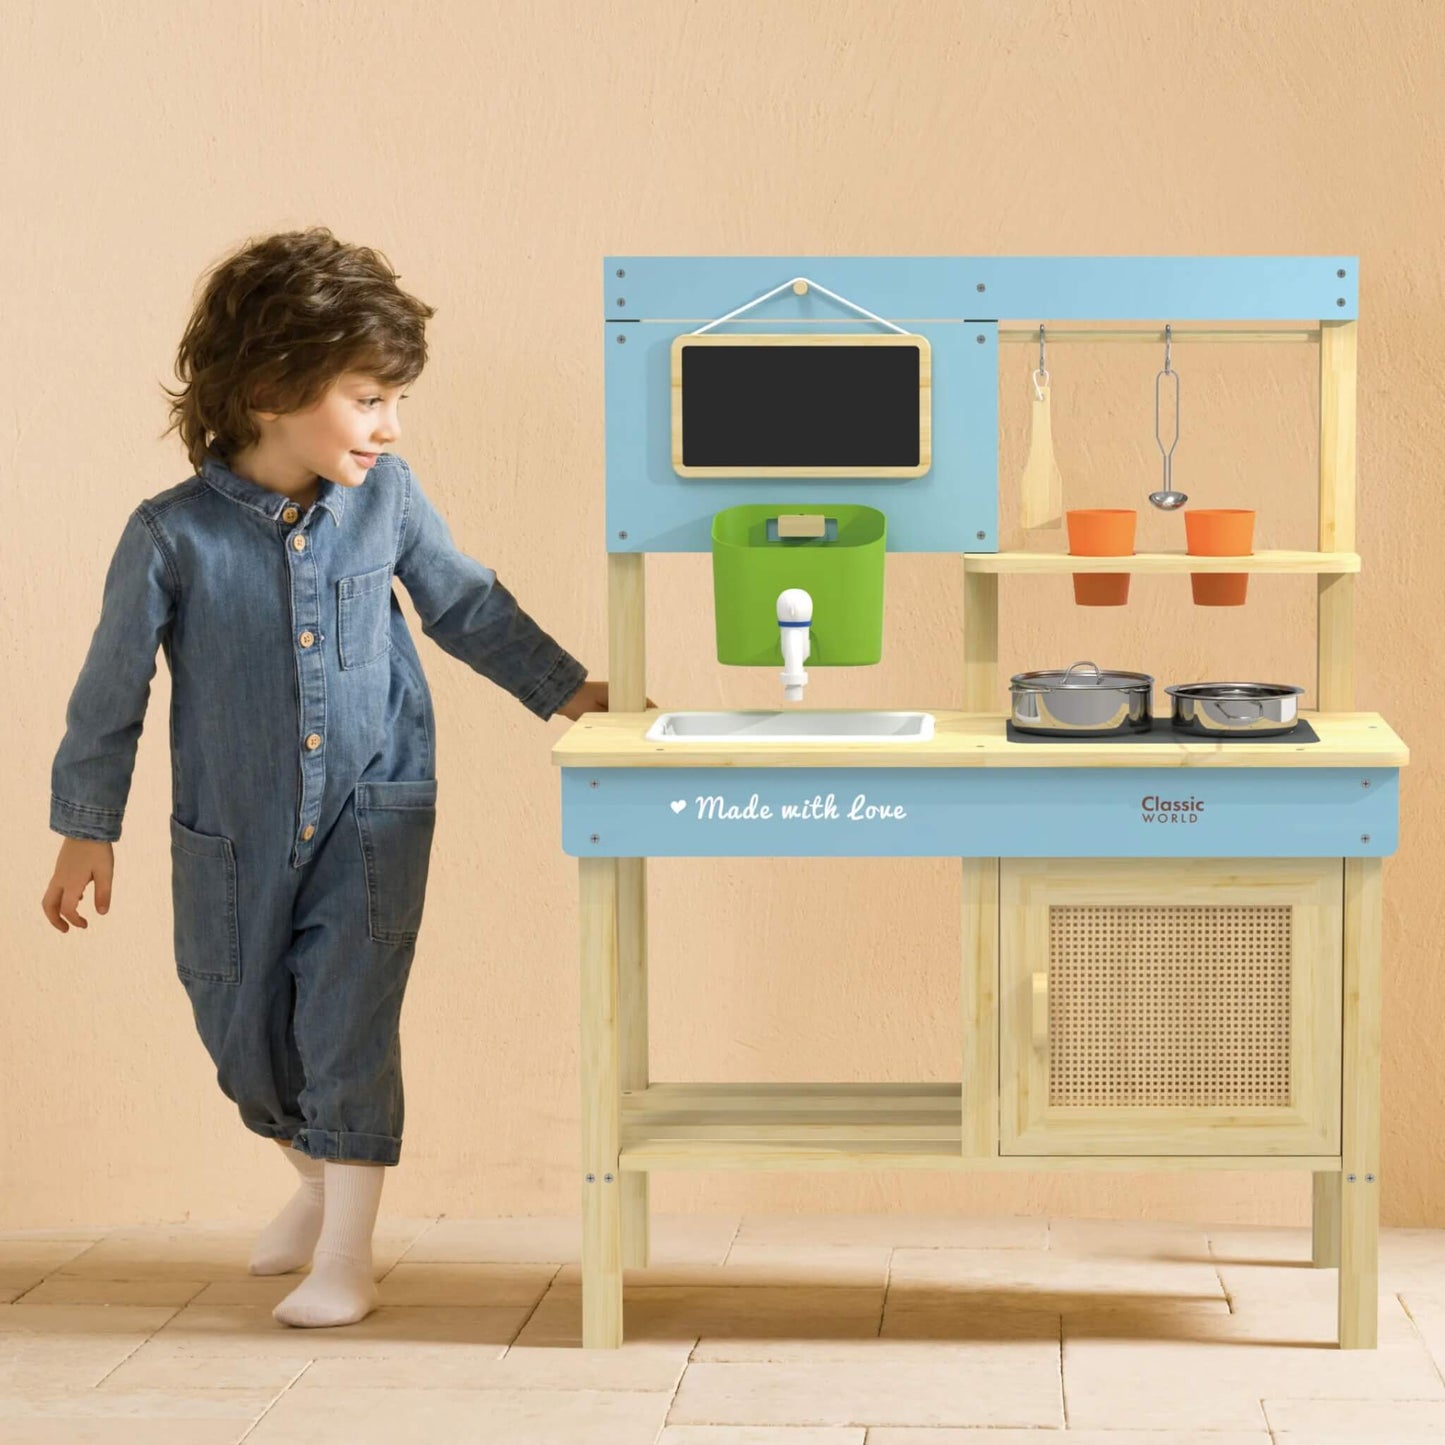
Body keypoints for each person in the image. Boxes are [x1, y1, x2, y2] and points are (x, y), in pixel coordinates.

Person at [39, 226, 652, 1329]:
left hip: (375, 810)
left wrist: (570, 691)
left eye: (393, 400)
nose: (391, 425)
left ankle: (349, 1253)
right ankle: (318, 1179)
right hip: (229, 828)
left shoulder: (389, 497)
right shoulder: (168, 538)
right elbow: (109, 692)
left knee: (346, 1023)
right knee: (236, 1030)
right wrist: (88, 827)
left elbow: (466, 603)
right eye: (368, 399)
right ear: (273, 385)